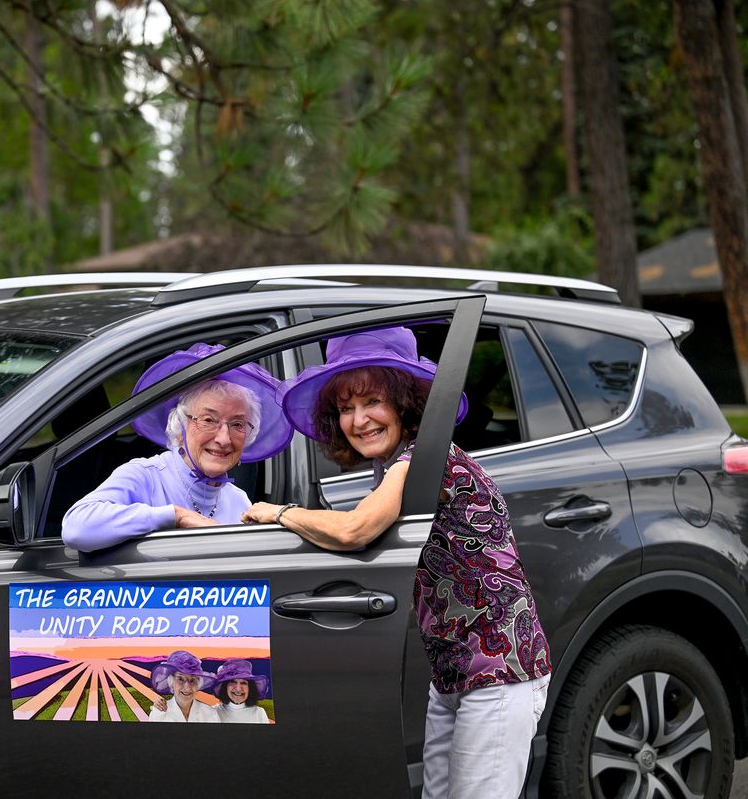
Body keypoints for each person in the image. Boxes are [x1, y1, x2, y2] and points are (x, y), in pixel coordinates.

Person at [241, 326, 552, 798]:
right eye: (346, 408)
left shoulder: (424, 461)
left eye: (372, 402)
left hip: (498, 672)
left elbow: (353, 530)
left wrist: (277, 512)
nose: (359, 419)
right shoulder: (398, 466)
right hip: (455, 675)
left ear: (406, 402)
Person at [62, 343, 291, 552]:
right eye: (208, 420)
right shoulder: (145, 476)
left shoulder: (239, 500)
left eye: (237, 424)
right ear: (179, 428)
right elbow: (76, 528)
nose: (224, 438)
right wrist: (175, 516)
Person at [147, 650, 221, 723]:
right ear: (171, 682)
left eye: (192, 680)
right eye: (180, 679)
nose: (187, 687)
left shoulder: (211, 714)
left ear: (198, 684)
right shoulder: (158, 713)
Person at [211, 659, 270, 723]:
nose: (238, 689)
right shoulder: (213, 712)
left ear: (250, 688)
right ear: (225, 687)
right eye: (232, 682)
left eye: (243, 683)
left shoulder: (259, 713)